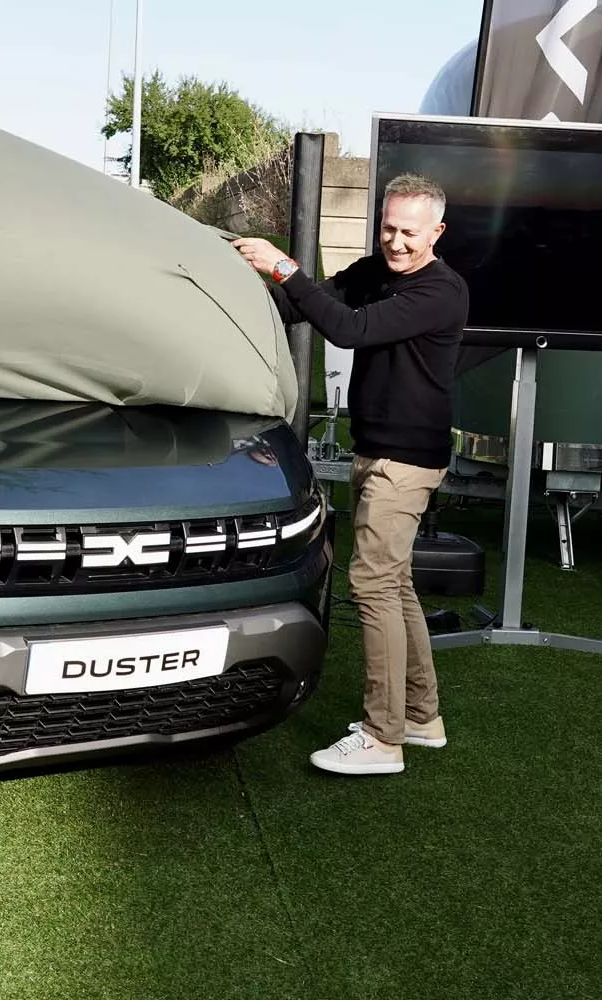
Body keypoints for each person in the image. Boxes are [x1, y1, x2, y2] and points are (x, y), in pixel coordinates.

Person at [231, 173, 468, 777]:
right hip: (376, 450)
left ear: (436, 231)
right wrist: (244, 287)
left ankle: (383, 738)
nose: (395, 241)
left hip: (407, 461)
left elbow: (349, 328)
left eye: (408, 232)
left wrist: (285, 268)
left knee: (371, 586)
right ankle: (421, 716)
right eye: (387, 228)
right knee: (396, 583)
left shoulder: (443, 290)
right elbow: (304, 305)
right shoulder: (374, 271)